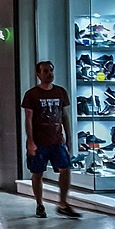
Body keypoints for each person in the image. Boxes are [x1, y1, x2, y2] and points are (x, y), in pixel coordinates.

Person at [21, 60, 82, 219]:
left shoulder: (60, 92)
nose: (49, 74)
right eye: (45, 71)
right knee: (37, 172)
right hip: (40, 141)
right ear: (38, 74)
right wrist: (30, 140)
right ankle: (39, 204)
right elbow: (28, 118)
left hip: (57, 140)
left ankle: (63, 203)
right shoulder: (32, 94)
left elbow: (64, 115)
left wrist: (68, 137)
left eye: (51, 71)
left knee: (65, 169)